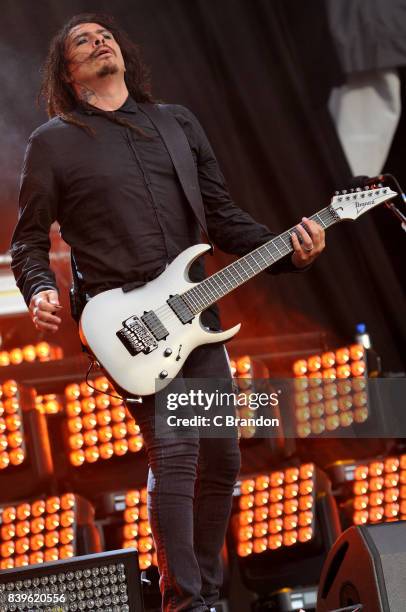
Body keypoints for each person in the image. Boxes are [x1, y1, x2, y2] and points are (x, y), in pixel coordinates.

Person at [10, 13, 325, 612]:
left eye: (105, 34)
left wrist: (295, 253)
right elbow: (28, 240)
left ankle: (202, 591)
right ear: (70, 74)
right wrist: (38, 289)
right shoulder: (54, 140)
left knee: (224, 454)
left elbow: (224, 216)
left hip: (195, 320)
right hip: (124, 324)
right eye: (83, 40)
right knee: (177, 449)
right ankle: (188, 600)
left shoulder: (175, 123)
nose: (100, 39)